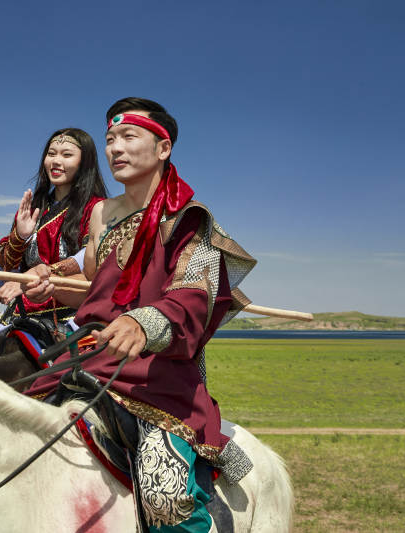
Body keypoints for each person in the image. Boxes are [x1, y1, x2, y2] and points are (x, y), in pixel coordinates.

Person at [21, 98, 258, 532]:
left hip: (155, 373)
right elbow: (95, 290)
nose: (115, 148)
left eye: (129, 137)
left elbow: (194, 298)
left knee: (164, 493)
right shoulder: (100, 213)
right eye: (110, 140)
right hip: (85, 356)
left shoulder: (190, 219)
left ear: (163, 148)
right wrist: (49, 278)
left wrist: (142, 322)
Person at [0, 128, 107, 342]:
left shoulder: (97, 208)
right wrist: (19, 237)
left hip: (71, 315)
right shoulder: (33, 209)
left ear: (84, 163)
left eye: (67, 155)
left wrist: (36, 276)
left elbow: (90, 258)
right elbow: (1, 279)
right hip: (20, 313)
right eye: (51, 154)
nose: (56, 161)